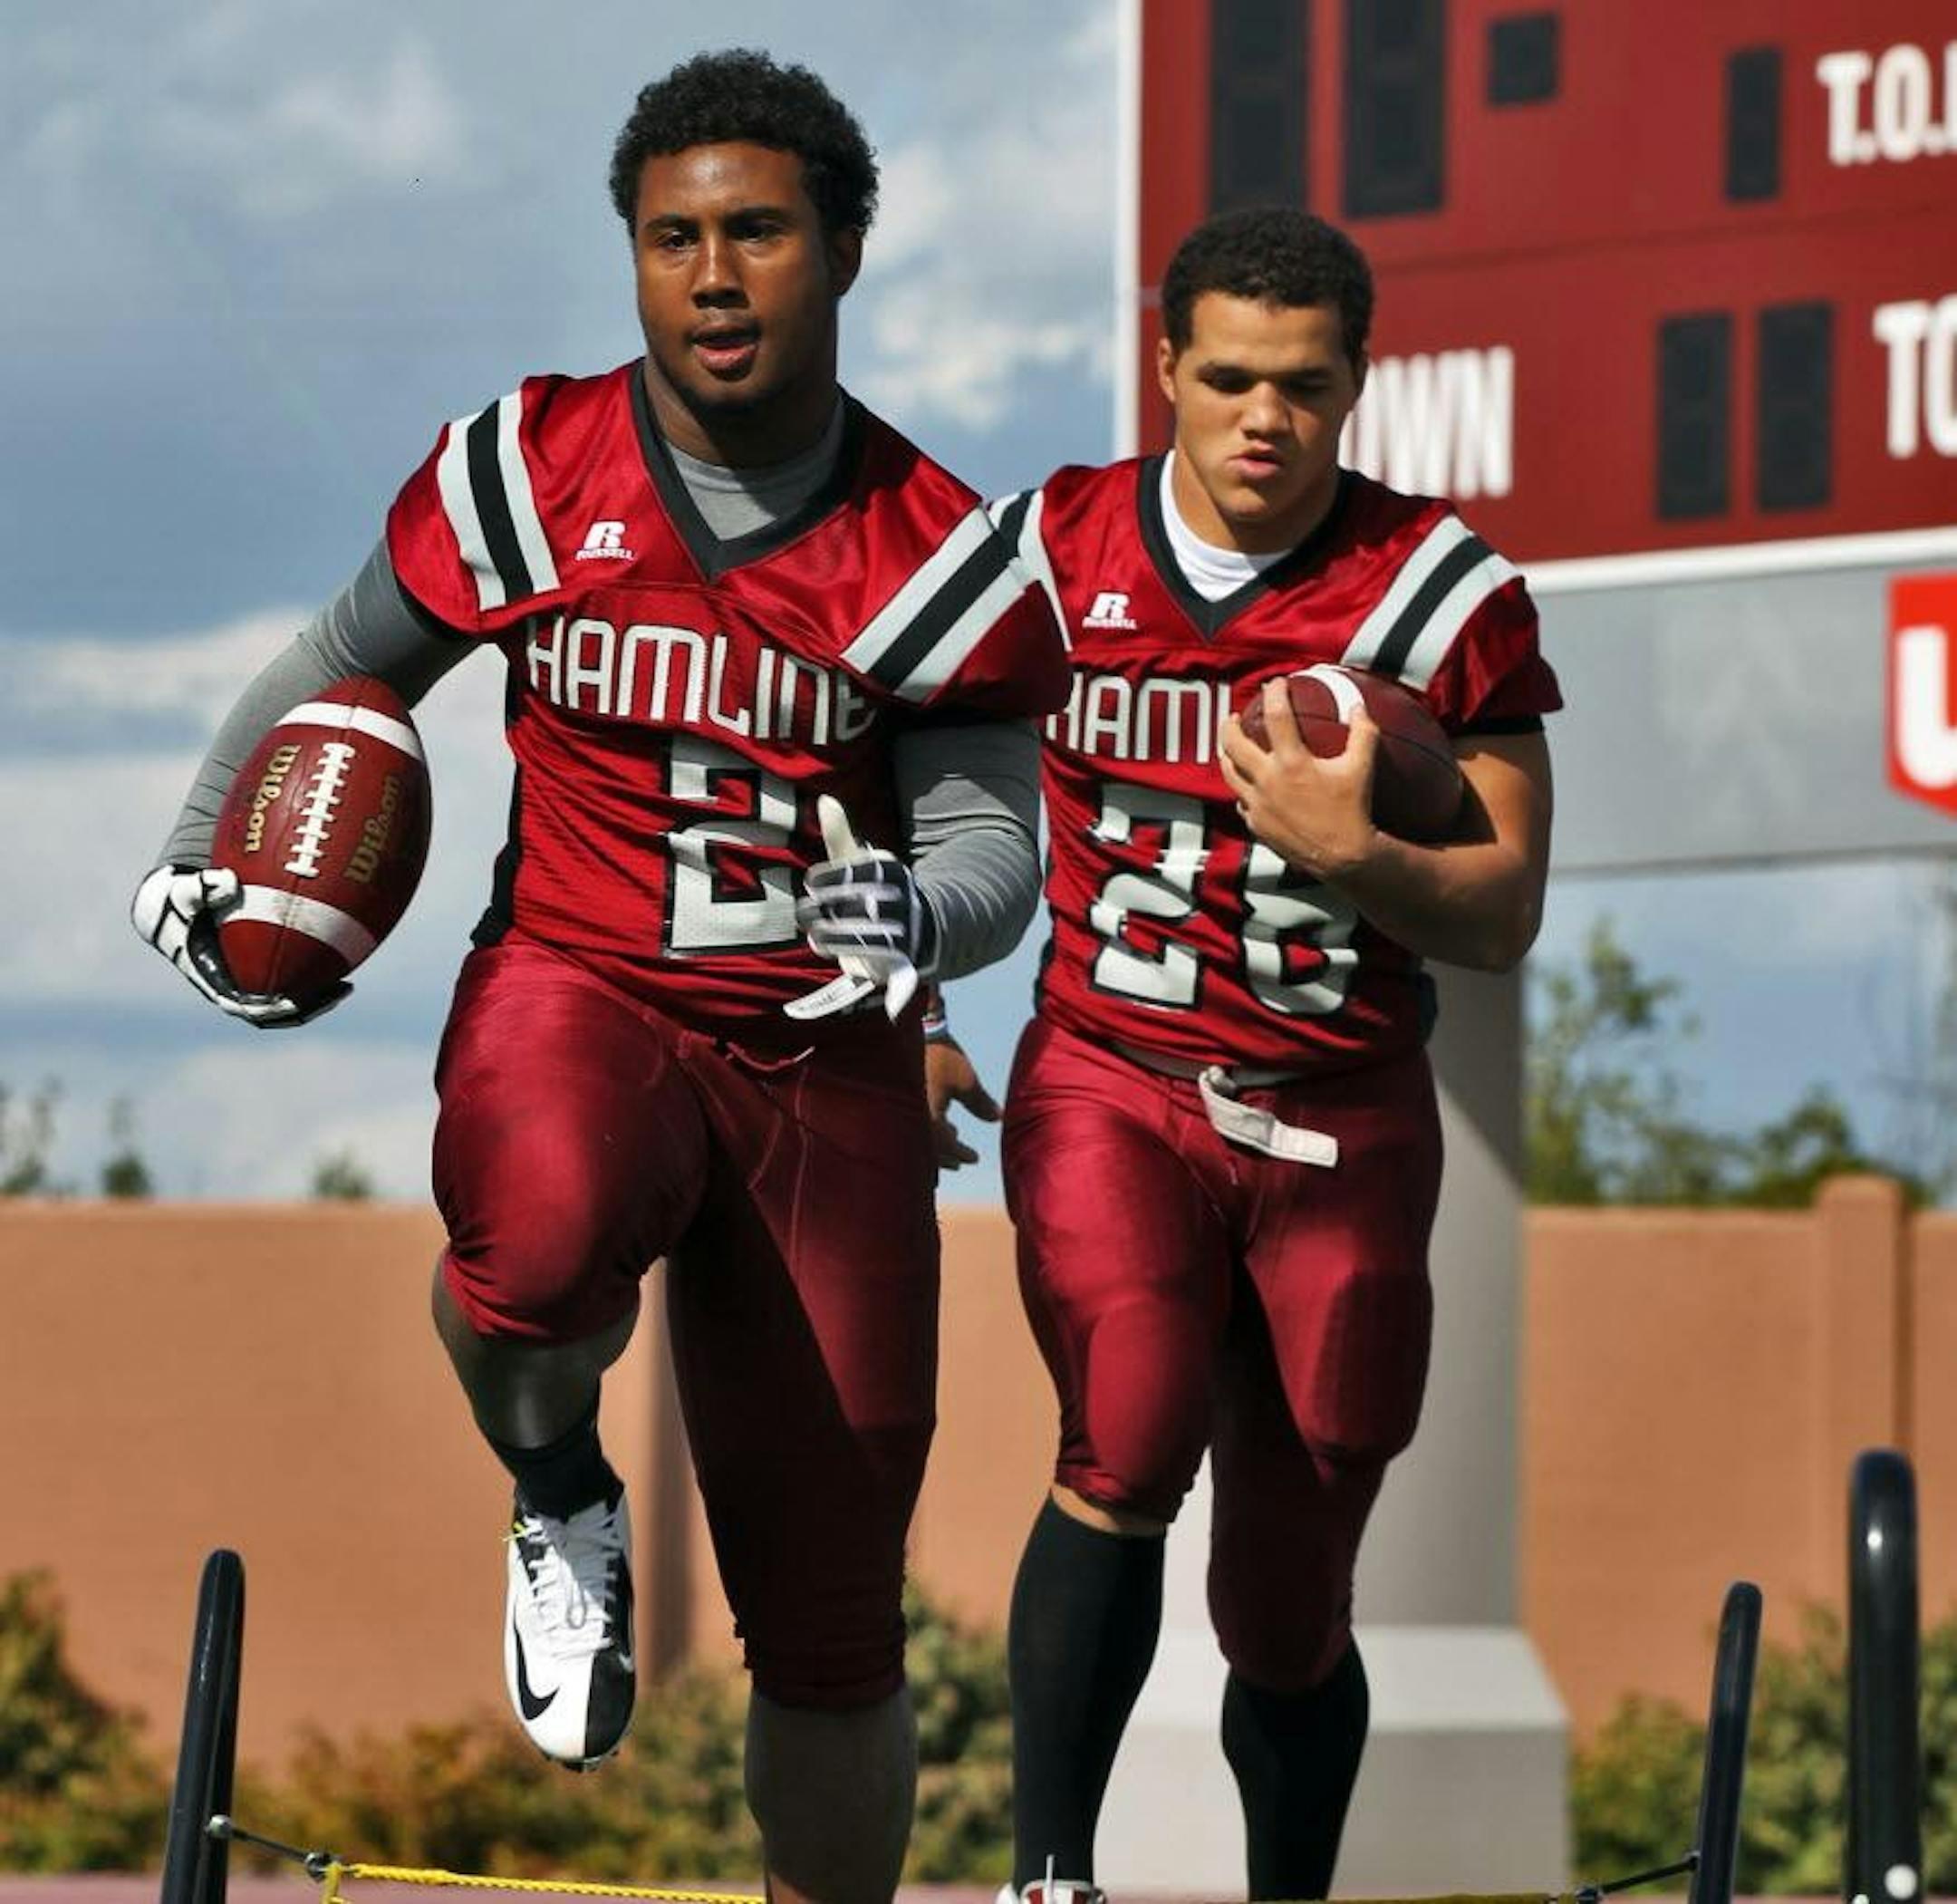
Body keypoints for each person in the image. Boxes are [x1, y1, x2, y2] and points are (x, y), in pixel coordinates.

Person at [132, 49, 1066, 1904]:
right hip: (587, 983)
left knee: (829, 1615)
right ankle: (557, 1483)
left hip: (825, 1072)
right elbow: (346, 662)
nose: (714, 275)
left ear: (847, 248)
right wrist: (198, 855)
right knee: (535, 1249)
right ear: (630, 257)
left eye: (758, 233)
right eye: (673, 238)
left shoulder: (937, 549)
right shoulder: (529, 466)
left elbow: (994, 848)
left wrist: (916, 918)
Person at [930, 206, 1560, 1902]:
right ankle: (1049, 1875)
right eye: (1224, 379)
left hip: (1340, 1108)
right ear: (1165, 369)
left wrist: (1359, 854)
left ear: (1357, 384)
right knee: (1124, 1427)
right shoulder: (1053, 545)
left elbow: (1503, 909)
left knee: (1289, 1599)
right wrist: (914, 1001)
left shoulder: (1442, 592)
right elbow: (874, 723)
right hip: (1114, 1074)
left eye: (1300, 384)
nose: (1260, 418)